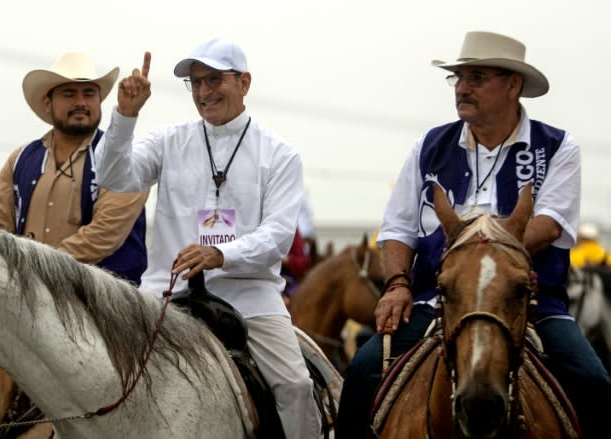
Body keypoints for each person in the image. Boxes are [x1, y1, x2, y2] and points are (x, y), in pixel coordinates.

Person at [336, 31, 611, 439]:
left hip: (530, 305)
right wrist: (396, 284)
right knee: (362, 370)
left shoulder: (555, 147)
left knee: (594, 385)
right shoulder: (429, 146)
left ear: (513, 85)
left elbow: (550, 222)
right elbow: (397, 228)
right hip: (436, 300)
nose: (462, 88)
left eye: (476, 77)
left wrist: (475, 243)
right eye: (458, 78)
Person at [94, 37, 321, 439]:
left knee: (296, 387)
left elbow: (278, 237)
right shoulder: (169, 140)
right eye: (196, 83)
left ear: (245, 82)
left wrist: (221, 254)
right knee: (99, 381)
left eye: (214, 79)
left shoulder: (280, 154)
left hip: (249, 297)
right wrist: (125, 117)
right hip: (166, 295)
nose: (203, 92)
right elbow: (113, 175)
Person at [0, 51, 148, 285]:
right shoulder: (20, 159)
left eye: (89, 93)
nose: (81, 102)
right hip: (28, 294)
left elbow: (104, 235)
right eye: (69, 94)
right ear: (47, 103)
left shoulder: (125, 157)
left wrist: (36, 271)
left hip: (102, 303)